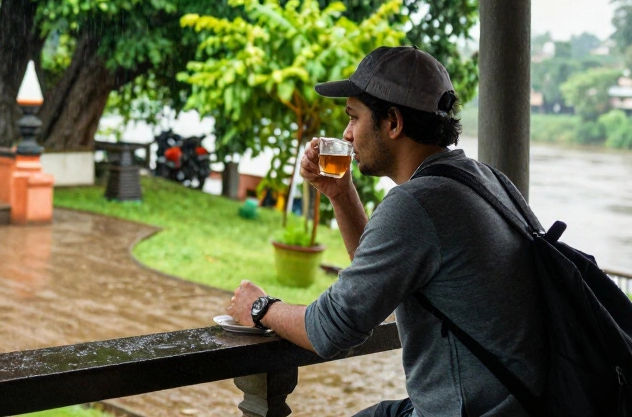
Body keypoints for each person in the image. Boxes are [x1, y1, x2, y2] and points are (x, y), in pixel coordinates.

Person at [227, 46, 546, 417]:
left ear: (392, 122)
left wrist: (260, 307)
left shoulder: (417, 204)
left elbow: (331, 329)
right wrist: (342, 194)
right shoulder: (487, 180)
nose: (346, 135)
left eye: (354, 118)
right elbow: (375, 284)